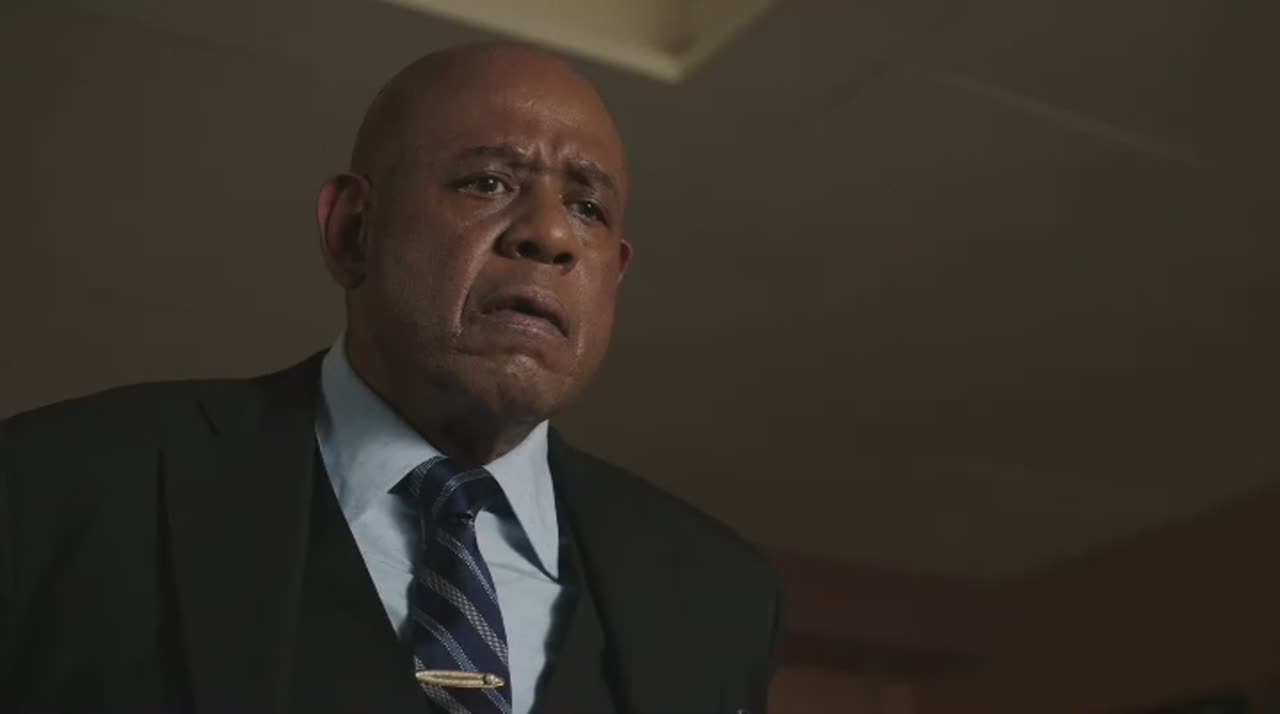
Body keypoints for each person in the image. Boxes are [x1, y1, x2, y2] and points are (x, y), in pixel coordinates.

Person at [0, 43, 782, 714]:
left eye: (588, 207)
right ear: (352, 231)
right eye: (488, 182)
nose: (550, 234)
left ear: (615, 276)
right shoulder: (62, 490)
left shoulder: (718, 595)